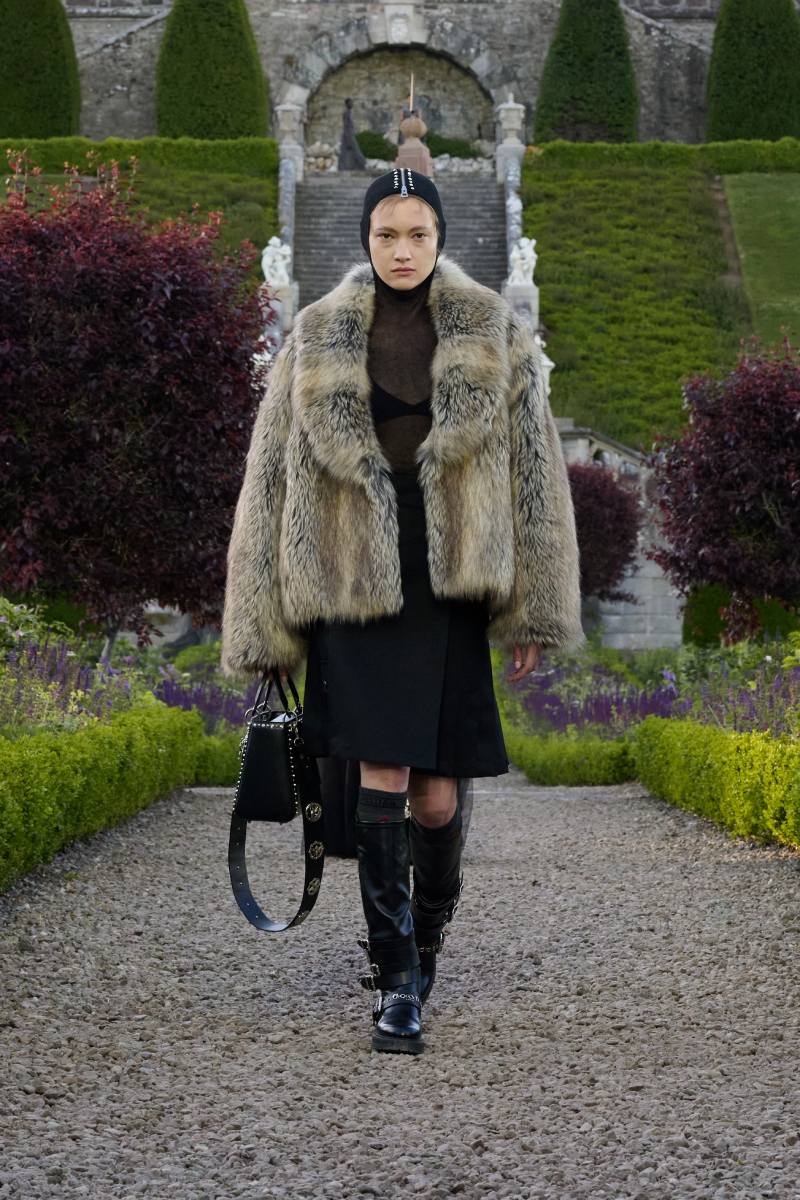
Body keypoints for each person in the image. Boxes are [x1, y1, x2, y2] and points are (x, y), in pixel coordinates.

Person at [221, 166, 585, 1055]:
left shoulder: (495, 331)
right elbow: (268, 483)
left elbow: (537, 477)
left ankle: (426, 940)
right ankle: (394, 982)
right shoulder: (315, 334)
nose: (402, 249)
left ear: (439, 237)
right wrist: (264, 624)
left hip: (450, 582)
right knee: (382, 775)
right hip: (351, 581)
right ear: (367, 238)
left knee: (436, 796)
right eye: (387, 233)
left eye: (418, 233)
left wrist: (536, 610)